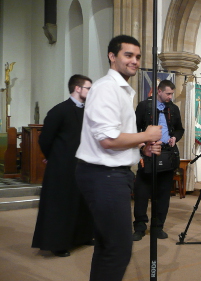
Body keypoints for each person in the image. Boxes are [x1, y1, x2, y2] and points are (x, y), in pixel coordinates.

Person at [75, 35, 162, 281]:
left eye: (137, 56)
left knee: (106, 245)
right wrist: (146, 134)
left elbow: (116, 137)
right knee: (118, 248)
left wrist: (141, 147)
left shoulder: (122, 90)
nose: (134, 61)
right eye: (128, 55)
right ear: (112, 57)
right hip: (104, 176)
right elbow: (108, 140)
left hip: (112, 174)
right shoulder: (106, 88)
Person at [32, 74, 94, 257]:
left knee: (83, 202)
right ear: (77, 88)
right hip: (62, 167)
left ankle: (83, 236)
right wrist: (53, 157)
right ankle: (58, 243)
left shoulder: (88, 111)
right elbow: (45, 139)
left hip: (84, 164)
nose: (91, 92)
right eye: (88, 88)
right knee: (62, 205)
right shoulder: (59, 110)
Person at [132, 79, 184, 241]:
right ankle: (140, 227)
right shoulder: (144, 106)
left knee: (163, 195)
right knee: (141, 194)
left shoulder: (173, 109)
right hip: (148, 154)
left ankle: (158, 227)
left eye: (172, 94)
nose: (170, 96)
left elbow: (179, 129)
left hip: (167, 154)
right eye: (168, 93)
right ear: (159, 92)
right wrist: (142, 145)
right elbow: (135, 128)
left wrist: (175, 137)